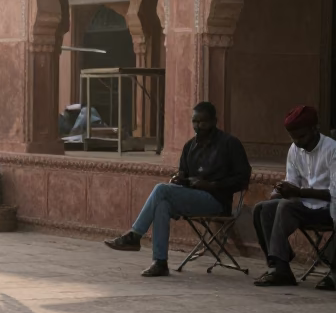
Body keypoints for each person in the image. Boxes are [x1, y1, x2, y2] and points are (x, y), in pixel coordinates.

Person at [105, 101, 251, 277]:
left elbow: (243, 178)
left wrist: (213, 185)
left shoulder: (229, 144)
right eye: (195, 122)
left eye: (203, 122)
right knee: (162, 205)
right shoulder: (190, 146)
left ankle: (135, 235)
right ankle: (160, 262)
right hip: (192, 198)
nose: (198, 126)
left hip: (217, 200)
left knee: (161, 190)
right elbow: (185, 176)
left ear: (214, 121)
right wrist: (180, 180)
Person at [251, 105, 336, 288]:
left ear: (315, 129)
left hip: (328, 208)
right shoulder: (295, 150)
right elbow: (293, 181)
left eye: (302, 136)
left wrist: (298, 193)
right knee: (262, 209)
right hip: (305, 207)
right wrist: (280, 191)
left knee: (286, 207)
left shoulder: (332, 149)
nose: (297, 141)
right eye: (293, 137)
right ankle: (280, 268)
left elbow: (334, 192)